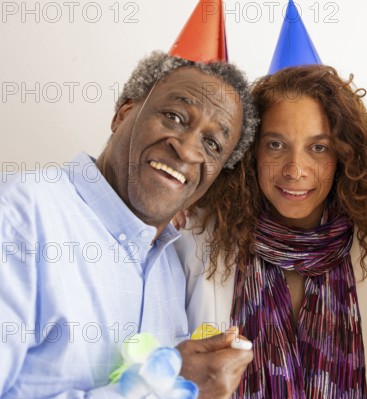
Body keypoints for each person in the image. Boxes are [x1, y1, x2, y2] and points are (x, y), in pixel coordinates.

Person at [0, 50, 258, 398]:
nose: (187, 150)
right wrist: (164, 388)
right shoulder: (20, 213)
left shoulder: (172, 265)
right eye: (175, 117)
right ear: (123, 114)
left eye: (212, 144)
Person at [176, 64, 367, 398]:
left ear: (343, 155)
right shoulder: (194, 238)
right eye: (276, 145)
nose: (295, 169)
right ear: (250, 152)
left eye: (318, 148)